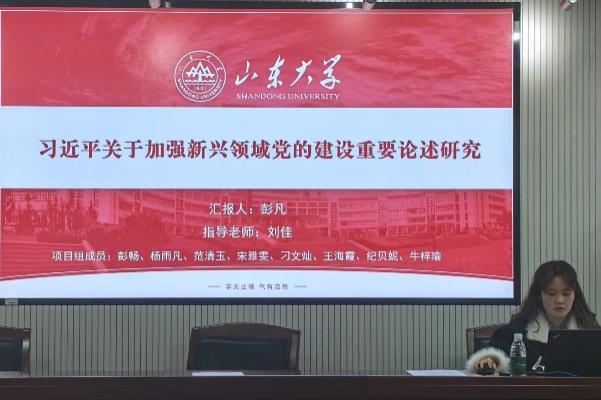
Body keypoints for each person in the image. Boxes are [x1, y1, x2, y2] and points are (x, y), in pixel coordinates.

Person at [466, 260, 600, 374]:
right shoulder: (516, 331)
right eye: (551, 293)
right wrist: (490, 361)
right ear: (539, 295)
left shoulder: (591, 330)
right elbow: (494, 356)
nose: (560, 300)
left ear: (575, 295)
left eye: (566, 293)